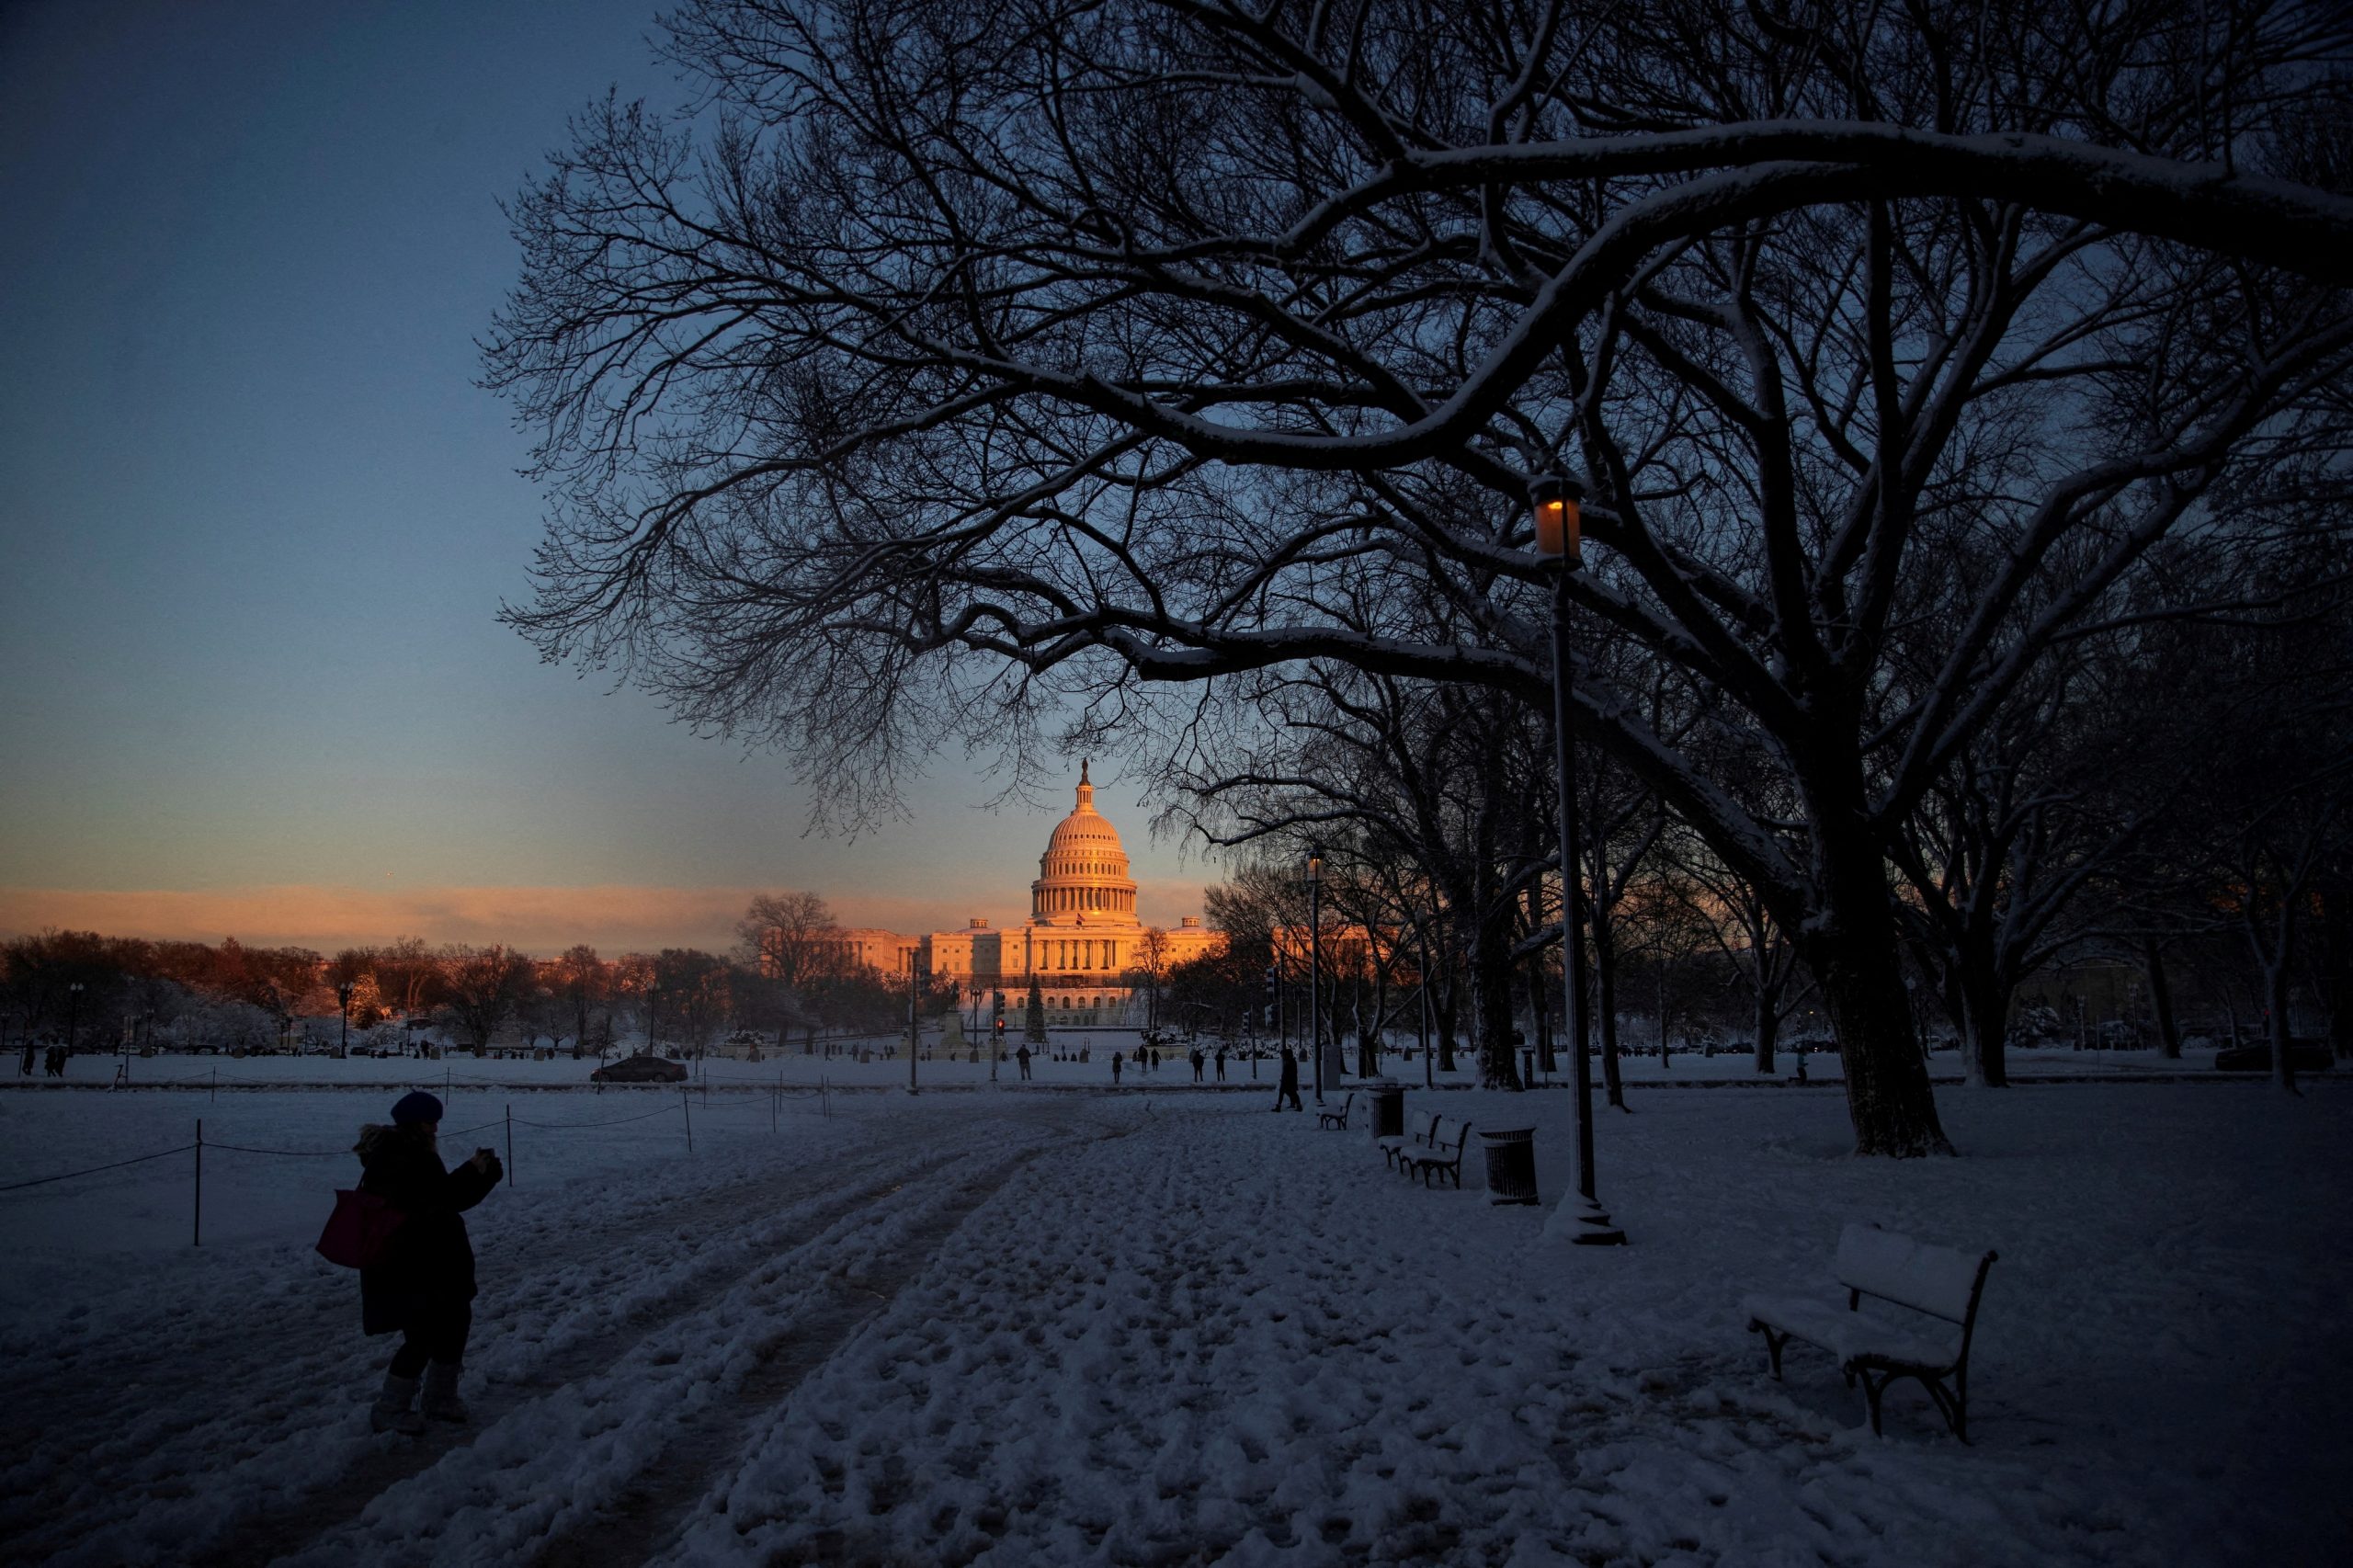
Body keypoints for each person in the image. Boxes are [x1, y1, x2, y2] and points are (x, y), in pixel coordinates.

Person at [355, 1091, 501, 1435]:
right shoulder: (403, 1157)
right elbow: (440, 1199)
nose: (435, 1128)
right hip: (413, 1264)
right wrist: (474, 1173)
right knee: (424, 1336)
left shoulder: (408, 1154)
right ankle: (390, 1409)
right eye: (429, 1122)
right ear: (413, 1125)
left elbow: (443, 1201)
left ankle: (440, 1399)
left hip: (433, 1260)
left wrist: (479, 1175)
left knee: (453, 1326)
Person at [1274, 1044, 1302, 1111]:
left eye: (1283, 1055)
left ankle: (1298, 1106)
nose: (1282, 1056)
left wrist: (1286, 1079)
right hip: (1286, 1080)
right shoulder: (1288, 1061)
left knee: (1292, 1093)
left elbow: (1290, 1073)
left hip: (1289, 1081)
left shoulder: (1291, 1062)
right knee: (1289, 1093)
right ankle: (1294, 1105)